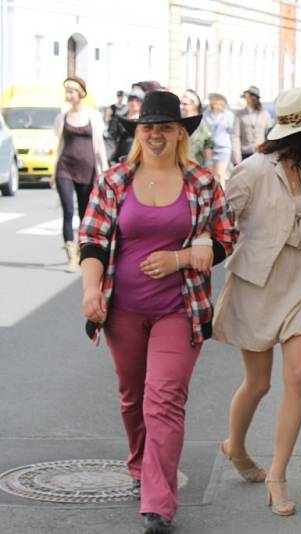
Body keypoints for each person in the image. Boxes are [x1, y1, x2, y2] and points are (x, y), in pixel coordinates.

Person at [78, 90, 237, 534]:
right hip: (122, 311)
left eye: (165, 127)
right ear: (138, 133)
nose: (156, 134)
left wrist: (182, 258)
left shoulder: (202, 183)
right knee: (133, 397)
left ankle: (159, 502)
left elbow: (227, 235)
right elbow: (91, 239)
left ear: (179, 133)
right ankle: (139, 462)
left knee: (163, 399)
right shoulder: (114, 181)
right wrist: (92, 289)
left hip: (179, 310)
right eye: (149, 127)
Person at [212, 86, 301, 516]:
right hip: (258, 285)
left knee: (298, 374)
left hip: (298, 281)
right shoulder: (252, 171)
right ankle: (237, 447)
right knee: (259, 382)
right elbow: (219, 220)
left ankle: (277, 474)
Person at [53, 76, 108, 272]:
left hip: (87, 169)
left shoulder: (92, 116)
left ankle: (82, 250)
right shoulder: (63, 117)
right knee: (68, 211)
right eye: (67, 91)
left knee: (86, 214)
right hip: (65, 168)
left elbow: (99, 144)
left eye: (72, 91)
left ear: (81, 94)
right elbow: (59, 144)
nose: (68, 95)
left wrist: (105, 169)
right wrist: (53, 172)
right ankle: (71, 253)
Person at [232, 85, 274, 165]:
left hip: (260, 153)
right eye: (246, 96)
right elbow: (235, 136)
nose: (247, 99)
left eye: (249, 96)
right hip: (245, 154)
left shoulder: (265, 114)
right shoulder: (239, 115)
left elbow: (268, 135)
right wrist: (236, 156)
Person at [203, 92, 235, 187]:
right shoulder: (206, 114)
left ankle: (221, 197)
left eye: (216, 99)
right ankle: (213, 196)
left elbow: (232, 131)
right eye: (212, 99)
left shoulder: (228, 115)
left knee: (220, 175)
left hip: (223, 148)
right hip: (209, 148)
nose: (214, 101)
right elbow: (204, 130)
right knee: (211, 174)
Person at [108, 86, 145, 163]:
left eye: (137, 100)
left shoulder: (146, 120)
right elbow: (111, 137)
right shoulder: (119, 118)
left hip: (140, 156)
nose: (134, 103)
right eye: (131, 100)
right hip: (120, 156)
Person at [179, 89, 213, 167]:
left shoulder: (201, 124)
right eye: (180, 103)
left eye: (185, 104)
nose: (181, 107)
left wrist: (209, 163)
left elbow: (208, 144)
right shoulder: (177, 123)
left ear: (194, 105)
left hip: (196, 165)